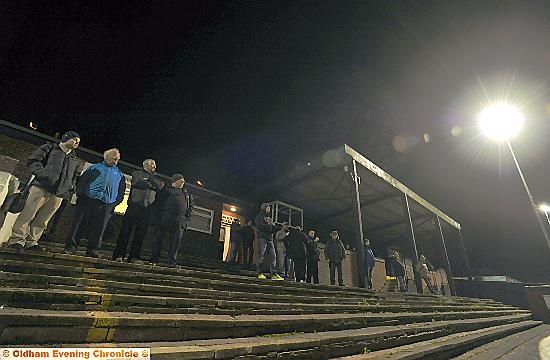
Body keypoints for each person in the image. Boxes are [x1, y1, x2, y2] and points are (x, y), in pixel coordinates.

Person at [7, 131, 82, 253]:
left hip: (59, 193)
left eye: (78, 142)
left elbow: (75, 175)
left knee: (43, 220)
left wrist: (70, 186)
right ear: (66, 138)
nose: (77, 143)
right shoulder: (50, 148)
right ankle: (17, 240)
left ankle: (32, 241)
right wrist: (43, 175)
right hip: (41, 187)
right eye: (74, 140)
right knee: (28, 214)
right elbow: (33, 161)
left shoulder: (74, 158)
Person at [64, 148, 125, 258]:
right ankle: (71, 247)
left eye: (117, 159)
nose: (116, 160)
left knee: (99, 229)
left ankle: (93, 250)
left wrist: (114, 204)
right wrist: (81, 196)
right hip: (88, 200)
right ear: (106, 157)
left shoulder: (120, 175)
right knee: (79, 224)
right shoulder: (94, 168)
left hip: (106, 204)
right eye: (114, 158)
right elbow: (82, 181)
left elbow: (121, 192)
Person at [112, 159, 164, 264]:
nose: (154, 166)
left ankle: (134, 257)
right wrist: (150, 184)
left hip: (147, 210)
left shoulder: (156, 178)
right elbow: (137, 182)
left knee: (140, 235)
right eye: (152, 164)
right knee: (125, 232)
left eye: (155, 165)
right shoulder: (137, 173)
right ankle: (119, 255)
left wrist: (149, 179)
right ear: (145, 164)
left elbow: (160, 186)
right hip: (134, 207)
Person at [149, 174, 194, 268]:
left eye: (183, 182)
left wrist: (186, 219)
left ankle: (172, 261)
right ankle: (154, 260)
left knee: (176, 241)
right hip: (165, 217)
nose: (183, 183)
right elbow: (158, 203)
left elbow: (191, 207)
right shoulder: (166, 190)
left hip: (180, 219)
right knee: (158, 239)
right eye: (181, 181)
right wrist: (156, 217)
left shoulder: (187, 193)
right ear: (175, 181)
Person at [255, 203, 283, 280]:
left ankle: (274, 274)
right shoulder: (259, 217)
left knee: (273, 256)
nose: (270, 209)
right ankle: (259, 273)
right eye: (268, 207)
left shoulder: (270, 219)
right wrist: (272, 227)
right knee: (261, 256)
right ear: (264, 208)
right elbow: (260, 227)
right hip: (262, 238)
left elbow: (271, 229)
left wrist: (276, 229)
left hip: (269, 239)